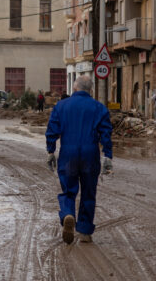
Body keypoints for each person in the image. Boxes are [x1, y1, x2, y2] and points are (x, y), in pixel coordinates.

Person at [46, 75, 113, 245]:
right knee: (89, 192)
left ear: (74, 88)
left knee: (68, 190)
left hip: (68, 153)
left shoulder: (61, 106)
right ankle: (84, 231)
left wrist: (50, 151)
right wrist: (108, 155)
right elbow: (106, 133)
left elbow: (52, 129)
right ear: (91, 90)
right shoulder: (99, 107)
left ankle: (68, 213)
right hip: (90, 153)